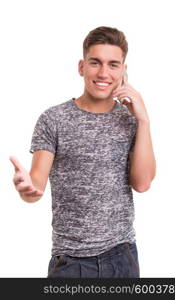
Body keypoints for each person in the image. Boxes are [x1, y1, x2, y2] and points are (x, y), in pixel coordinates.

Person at [10, 26, 156, 278]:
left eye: (113, 65)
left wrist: (144, 120)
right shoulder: (53, 119)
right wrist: (27, 189)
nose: (103, 73)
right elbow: (36, 186)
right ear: (81, 67)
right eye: (95, 63)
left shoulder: (131, 121)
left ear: (123, 71)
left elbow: (142, 184)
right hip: (71, 263)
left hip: (122, 258)